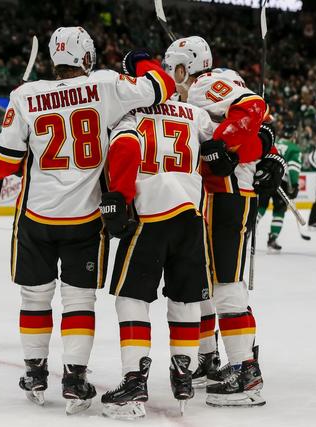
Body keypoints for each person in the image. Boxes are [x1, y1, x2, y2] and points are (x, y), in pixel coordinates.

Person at [0, 27, 175, 414]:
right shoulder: (105, 85)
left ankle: (35, 371)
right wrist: (141, 59)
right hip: (86, 217)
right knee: (78, 299)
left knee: (35, 296)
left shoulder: (25, 95)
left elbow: (2, 163)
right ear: (87, 58)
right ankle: (74, 377)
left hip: (36, 215)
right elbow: (163, 85)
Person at [163, 36, 285, 407]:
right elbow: (257, 130)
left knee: (227, 285)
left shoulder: (205, 84)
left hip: (226, 195)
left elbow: (253, 108)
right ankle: (209, 359)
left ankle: (245, 371)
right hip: (211, 196)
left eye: (173, 67)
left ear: (185, 66)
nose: (170, 74)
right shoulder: (196, 93)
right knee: (206, 282)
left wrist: (224, 142)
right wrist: (267, 151)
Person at [99, 97, 215, 419]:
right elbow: (221, 143)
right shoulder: (194, 113)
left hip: (149, 214)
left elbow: (124, 148)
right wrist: (265, 144)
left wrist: (118, 198)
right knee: (186, 296)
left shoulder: (130, 112)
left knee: (131, 297)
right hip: (191, 216)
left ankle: (134, 379)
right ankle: (184, 373)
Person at [256, 124, 302, 251]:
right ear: (293, 135)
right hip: (282, 182)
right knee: (279, 211)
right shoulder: (294, 149)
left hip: (267, 178)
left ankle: (248, 230)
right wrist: (295, 185)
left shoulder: (274, 142)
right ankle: (273, 238)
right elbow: (293, 168)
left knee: (261, 207)